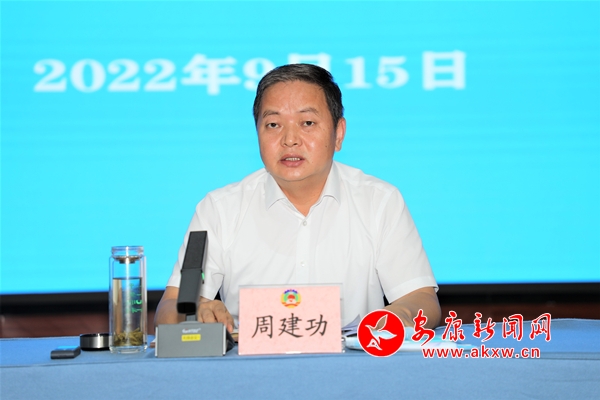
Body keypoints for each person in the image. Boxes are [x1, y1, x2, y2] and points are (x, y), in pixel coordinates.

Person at [155, 64, 441, 332]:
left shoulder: (379, 201)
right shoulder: (220, 209)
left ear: (338, 134)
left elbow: (422, 299)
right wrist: (194, 311)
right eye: (273, 125)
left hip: (353, 363)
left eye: (307, 122)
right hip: (248, 366)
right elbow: (170, 307)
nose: (290, 139)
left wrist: (395, 317)